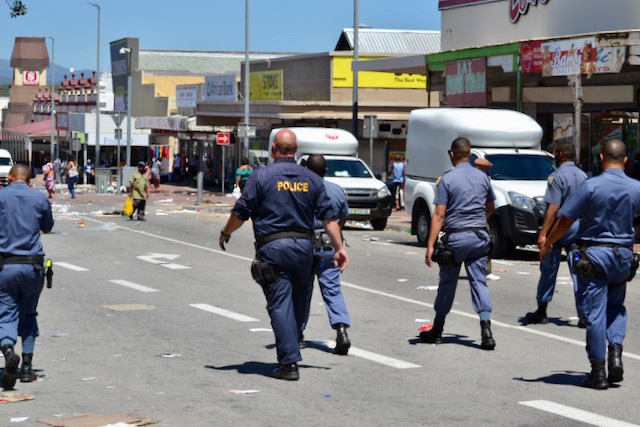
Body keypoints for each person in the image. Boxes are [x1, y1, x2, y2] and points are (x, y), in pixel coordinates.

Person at [219, 129, 348, 381]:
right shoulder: (312, 179)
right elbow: (328, 217)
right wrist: (339, 247)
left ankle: (289, 363)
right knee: (299, 300)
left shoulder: (261, 177)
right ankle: (294, 339)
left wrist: (226, 232)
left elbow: (241, 211)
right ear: (295, 150)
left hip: (274, 249)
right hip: (304, 250)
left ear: (274, 150)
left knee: (280, 303)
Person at [540, 139, 640, 390]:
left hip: (595, 256)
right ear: (625, 160)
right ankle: (615, 351)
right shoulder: (636, 187)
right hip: (623, 257)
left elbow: (565, 218)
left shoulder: (591, 186)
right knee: (616, 306)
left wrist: (549, 241)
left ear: (602, 158)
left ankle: (598, 371)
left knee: (595, 314)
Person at [420, 137, 497, 350]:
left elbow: (439, 214)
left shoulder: (447, 179)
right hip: (480, 237)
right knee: (479, 282)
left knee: (447, 283)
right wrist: (479, 221)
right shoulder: (483, 178)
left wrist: (430, 245)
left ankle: (437, 329)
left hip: (456, 239)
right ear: (469, 154)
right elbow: (491, 208)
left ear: (452, 154)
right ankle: (486, 329)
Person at [0, 164, 54, 389]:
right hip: (33, 267)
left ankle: (8, 350)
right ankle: (27, 368)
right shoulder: (39, 198)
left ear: (10, 178)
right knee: (29, 313)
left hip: (6, 267)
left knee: (6, 313)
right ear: (29, 181)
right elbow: (48, 227)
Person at [525, 141, 587, 325]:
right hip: (578, 229)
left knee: (548, 269)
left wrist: (544, 234)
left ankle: (542, 311)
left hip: (559, 230)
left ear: (559, 154)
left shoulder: (557, 176)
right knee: (580, 271)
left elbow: (553, 208)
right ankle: (584, 315)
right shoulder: (583, 175)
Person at [301, 154, 351, 355]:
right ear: (326, 170)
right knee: (332, 290)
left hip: (304, 245)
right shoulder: (336, 190)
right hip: (328, 246)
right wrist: (335, 234)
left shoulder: (301, 190)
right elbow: (344, 215)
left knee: (301, 291)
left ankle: (297, 334)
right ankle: (341, 331)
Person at [474, 157, 500, 282]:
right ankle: (486, 271)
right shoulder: (483, 180)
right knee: (486, 243)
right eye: (487, 168)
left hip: (472, 217)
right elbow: (490, 205)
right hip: (479, 217)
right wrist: (485, 217)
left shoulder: (474, 178)